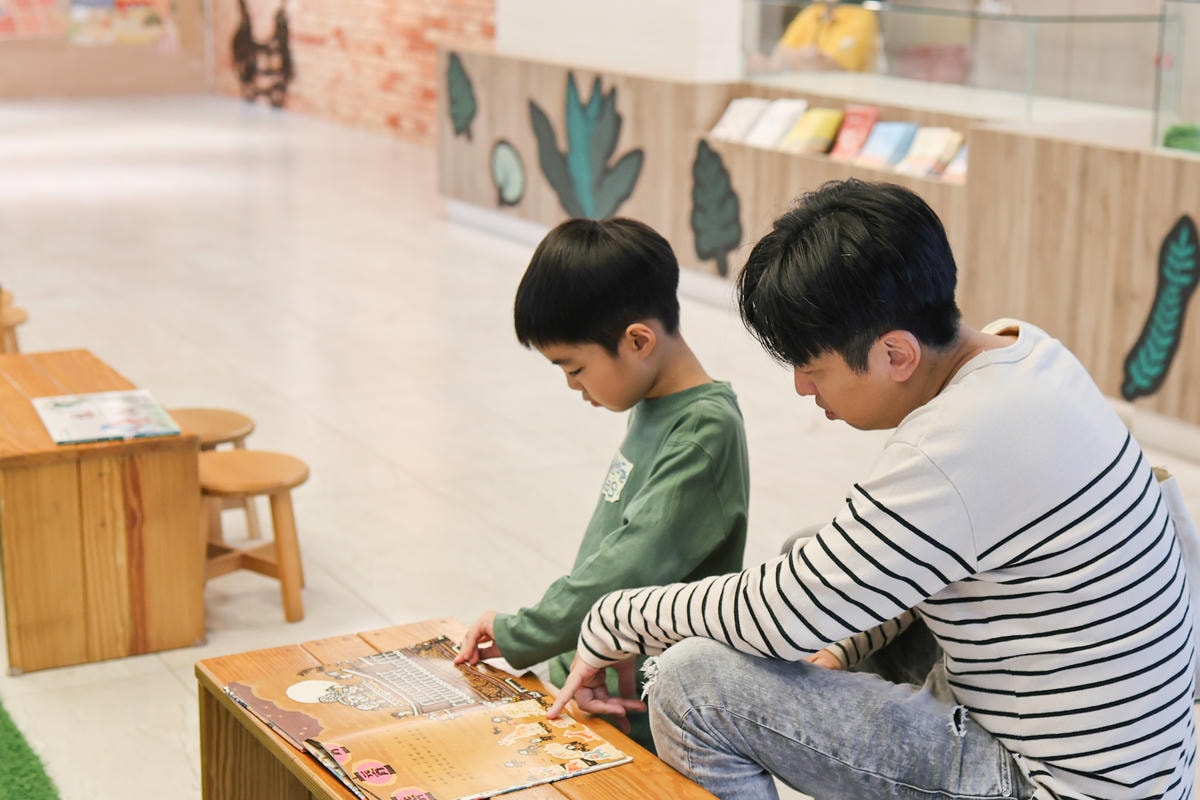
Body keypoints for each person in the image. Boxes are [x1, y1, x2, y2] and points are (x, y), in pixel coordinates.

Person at [549, 179, 1197, 799]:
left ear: (895, 355)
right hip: (1139, 758)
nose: (804, 388)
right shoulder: (1024, 353)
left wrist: (615, 617)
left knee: (693, 683)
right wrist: (836, 643)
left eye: (814, 366)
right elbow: (847, 582)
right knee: (816, 559)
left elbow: (782, 614)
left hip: (1047, 781)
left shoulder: (954, 447)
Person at [455, 216, 751, 751]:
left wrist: (523, 630)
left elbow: (629, 566)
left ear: (638, 340)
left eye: (574, 367)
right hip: (593, 670)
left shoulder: (703, 430)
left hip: (642, 710)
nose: (573, 385)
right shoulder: (655, 404)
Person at [747, 1, 879, 74]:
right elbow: (779, 55)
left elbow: (831, 67)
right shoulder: (813, 11)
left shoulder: (862, 16)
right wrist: (803, 59)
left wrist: (793, 60)